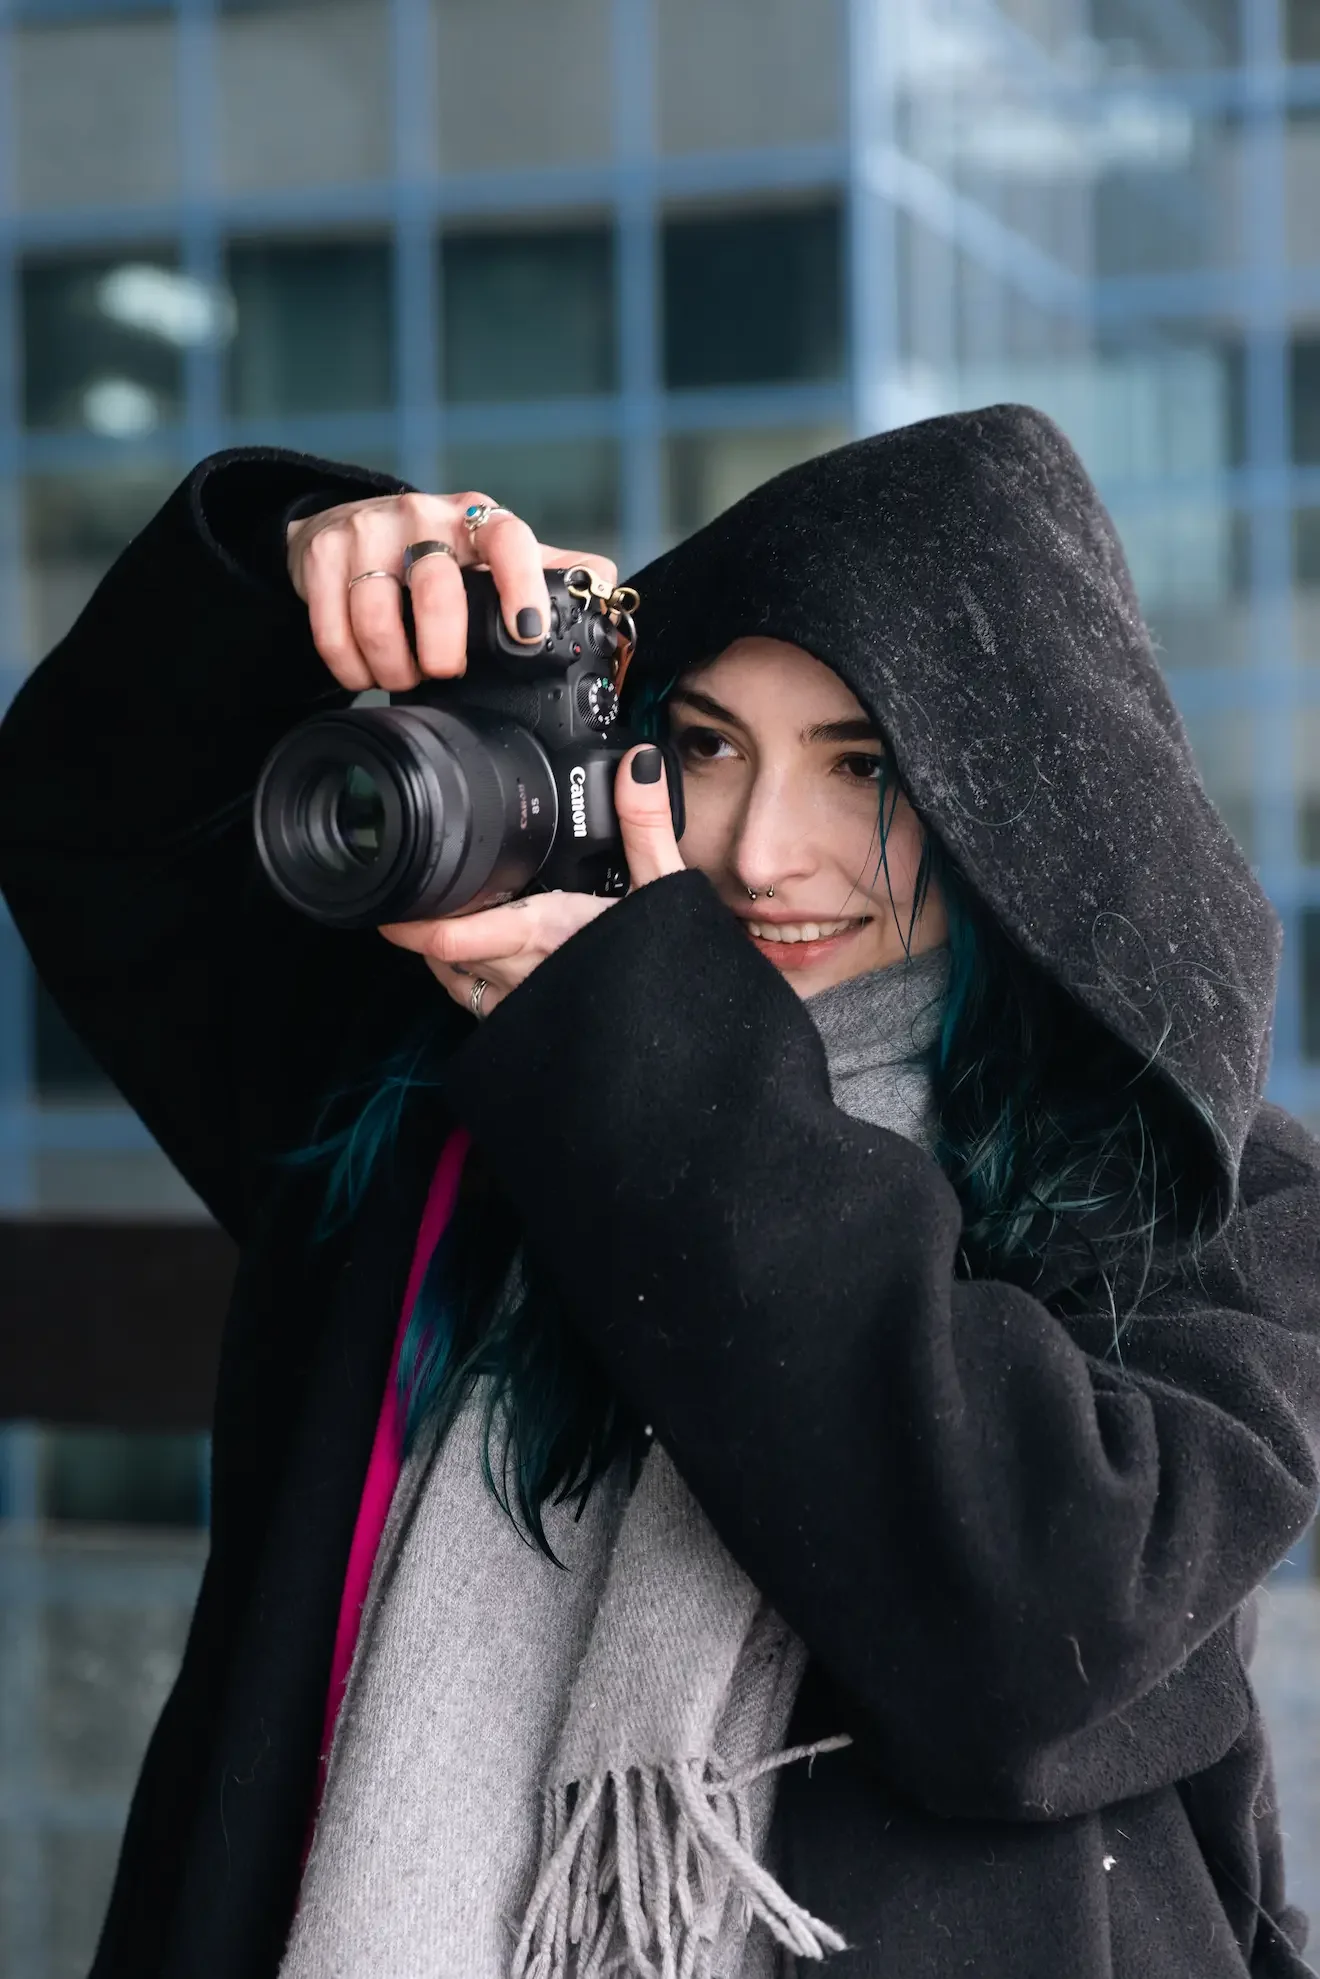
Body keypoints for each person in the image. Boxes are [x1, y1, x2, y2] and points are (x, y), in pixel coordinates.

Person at [0, 404, 1317, 1979]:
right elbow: (86, 829)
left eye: (863, 765)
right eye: (705, 746)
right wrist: (302, 563)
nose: (763, 849)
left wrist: (644, 1046)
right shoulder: (455, 1099)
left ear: (1021, 790)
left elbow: (1032, 1630)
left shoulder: (1216, 1204)